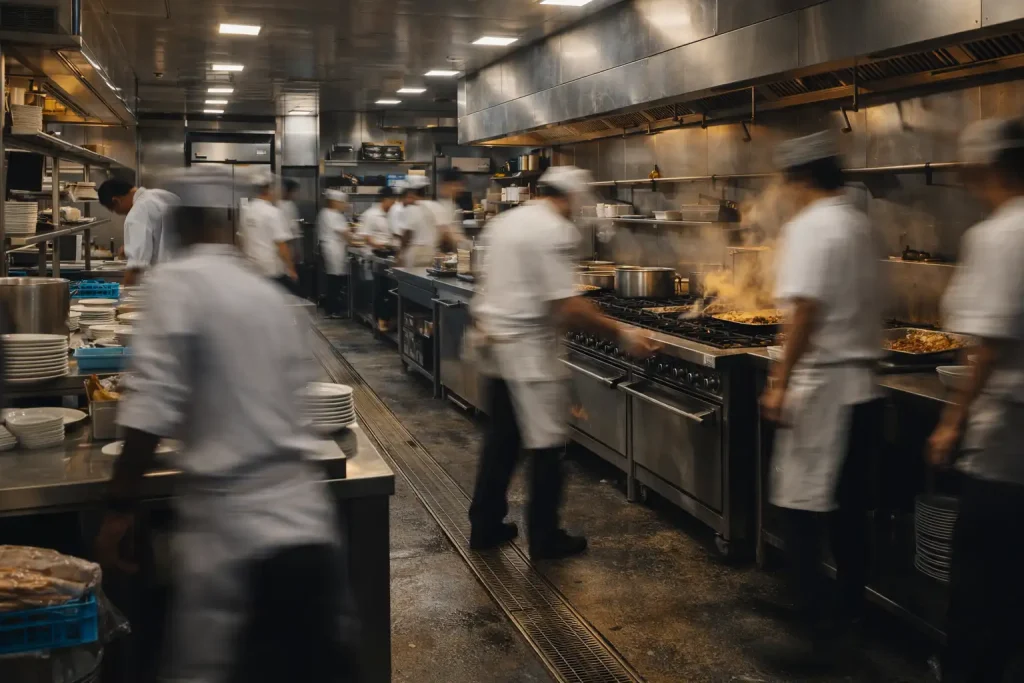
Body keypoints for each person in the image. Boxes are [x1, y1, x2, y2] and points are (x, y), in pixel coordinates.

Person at [93, 168, 356, 683]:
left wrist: (119, 509)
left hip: (236, 539)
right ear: (228, 221)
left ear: (180, 224)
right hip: (308, 526)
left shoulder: (176, 285)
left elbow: (148, 415)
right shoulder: (264, 294)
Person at [467, 166, 659, 559]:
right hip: (529, 352)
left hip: (495, 343)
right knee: (547, 446)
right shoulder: (552, 229)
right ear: (569, 198)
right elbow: (567, 306)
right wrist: (623, 334)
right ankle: (545, 537)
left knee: (502, 442)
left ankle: (484, 526)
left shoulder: (505, 223)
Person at [759, 131, 885, 667]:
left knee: (798, 510)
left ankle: (817, 635)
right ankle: (846, 613)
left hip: (824, 388)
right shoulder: (858, 223)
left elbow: (805, 311)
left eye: (787, 180)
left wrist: (781, 380)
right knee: (851, 515)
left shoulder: (810, 227)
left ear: (801, 178)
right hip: (863, 390)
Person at [928, 118, 1024, 683]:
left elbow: (984, 348)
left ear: (986, 169)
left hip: (1005, 446)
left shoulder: (998, 235)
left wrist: (949, 423)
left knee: (979, 589)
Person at [98, 178, 179, 286]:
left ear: (116, 201)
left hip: (167, 280)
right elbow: (161, 234)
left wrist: (125, 292)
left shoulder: (137, 213)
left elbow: (136, 267)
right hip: (184, 272)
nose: (119, 213)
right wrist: (131, 246)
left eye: (114, 210)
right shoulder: (160, 195)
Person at [240, 172, 298, 293]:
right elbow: (282, 245)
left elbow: (240, 239)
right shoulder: (272, 212)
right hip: (270, 269)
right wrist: (291, 269)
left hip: (251, 267)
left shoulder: (246, 211)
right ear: (269, 190)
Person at [317, 189, 355, 318]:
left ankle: (333, 308)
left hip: (333, 248)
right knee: (335, 280)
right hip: (334, 250)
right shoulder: (333, 214)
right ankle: (333, 310)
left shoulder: (326, 212)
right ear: (334, 202)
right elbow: (344, 233)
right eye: (342, 202)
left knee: (334, 279)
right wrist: (354, 241)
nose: (344, 205)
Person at [395, 176, 440, 267]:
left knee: (412, 280)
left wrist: (400, 254)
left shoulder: (412, 208)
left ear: (411, 193)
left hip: (416, 252)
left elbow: (407, 234)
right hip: (432, 251)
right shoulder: (435, 206)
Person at [422, 168, 466, 248]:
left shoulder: (452, 205)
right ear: (446, 185)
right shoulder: (438, 206)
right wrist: (464, 243)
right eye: (456, 185)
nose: (460, 189)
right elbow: (445, 233)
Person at [279, 177, 303, 263]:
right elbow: (292, 229)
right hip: (287, 245)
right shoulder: (287, 206)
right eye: (295, 192)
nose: (296, 195)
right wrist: (297, 250)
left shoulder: (288, 204)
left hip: (286, 245)